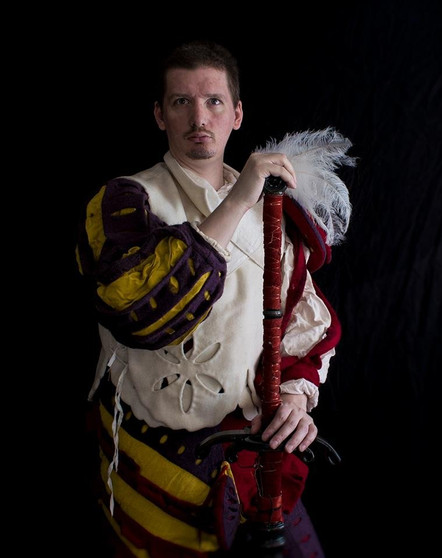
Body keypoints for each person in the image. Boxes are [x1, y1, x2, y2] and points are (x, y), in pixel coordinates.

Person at [76, 40, 355, 558]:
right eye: (181, 101)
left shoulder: (275, 208)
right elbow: (137, 312)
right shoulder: (123, 201)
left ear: (237, 114)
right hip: (156, 463)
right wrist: (239, 198)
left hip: (254, 461)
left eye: (214, 101)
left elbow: (303, 321)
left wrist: (294, 398)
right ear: (159, 115)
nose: (199, 118)